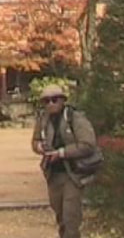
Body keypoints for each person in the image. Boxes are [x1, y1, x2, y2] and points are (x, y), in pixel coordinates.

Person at [30, 84, 97, 238]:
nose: (51, 104)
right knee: (60, 216)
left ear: (62, 100)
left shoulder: (75, 117)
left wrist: (62, 153)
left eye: (54, 100)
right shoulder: (43, 119)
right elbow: (35, 141)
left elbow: (88, 144)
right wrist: (40, 147)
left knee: (71, 217)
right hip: (53, 174)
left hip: (73, 173)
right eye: (46, 101)